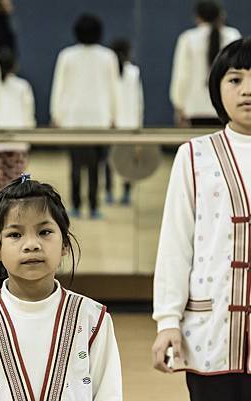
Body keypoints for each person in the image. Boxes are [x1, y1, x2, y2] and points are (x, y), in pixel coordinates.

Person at [0, 176, 122, 400]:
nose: (31, 245)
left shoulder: (92, 319)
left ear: (65, 244)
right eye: (15, 235)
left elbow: (108, 394)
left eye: (44, 232)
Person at [152, 37, 251, 401]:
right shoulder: (194, 156)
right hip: (213, 334)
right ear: (217, 88)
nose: (247, 91)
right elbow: (175, 244)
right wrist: (167, 321)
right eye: (235, 79)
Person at [50, 13, 119, 219]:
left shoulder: (67, 55)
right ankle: (93, 205)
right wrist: (115, 116)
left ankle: (76, 204)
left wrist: (57, 114)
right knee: (95, 165)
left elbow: (59, 87)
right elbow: (114, 89)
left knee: (75, 164)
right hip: (99, 118)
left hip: (73, 118)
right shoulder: (108, 56)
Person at [170, 0, 240, 128]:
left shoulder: (188, 38)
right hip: (227, 106)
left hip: (195, 108)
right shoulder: (232, 36)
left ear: (198, 17)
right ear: (221, 15)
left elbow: (182, 75)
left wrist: (179, 105)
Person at [0, 46, 34, 187]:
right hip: (18, 141)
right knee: (16, 187)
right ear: (14, 65)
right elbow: (28, 115)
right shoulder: (22, 86)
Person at [110, 38, 144, 205]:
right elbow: (139, 101)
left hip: (112, 122)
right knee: (128, 161)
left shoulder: (108, 71)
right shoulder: (134, 72)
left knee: (109, 159)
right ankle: (126, 193)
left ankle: (109, 191)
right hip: (129, 122)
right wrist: (138, 122)